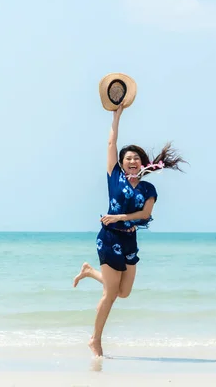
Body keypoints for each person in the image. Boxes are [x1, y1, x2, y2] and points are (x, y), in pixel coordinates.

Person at [72, 102, 187, 358]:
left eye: (136, 158)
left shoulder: (148, 190)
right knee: (111, 294)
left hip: (129, 240)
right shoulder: (115, 176)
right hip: (109, 237)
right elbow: (111, 145)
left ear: (142, 163)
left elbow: (146, 215)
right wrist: (116, 117)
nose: (132, 161)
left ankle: (90, 271)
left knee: (123, 293)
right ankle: (95, 340)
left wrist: (121, 216)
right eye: (128, 158)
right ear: (122, 164)